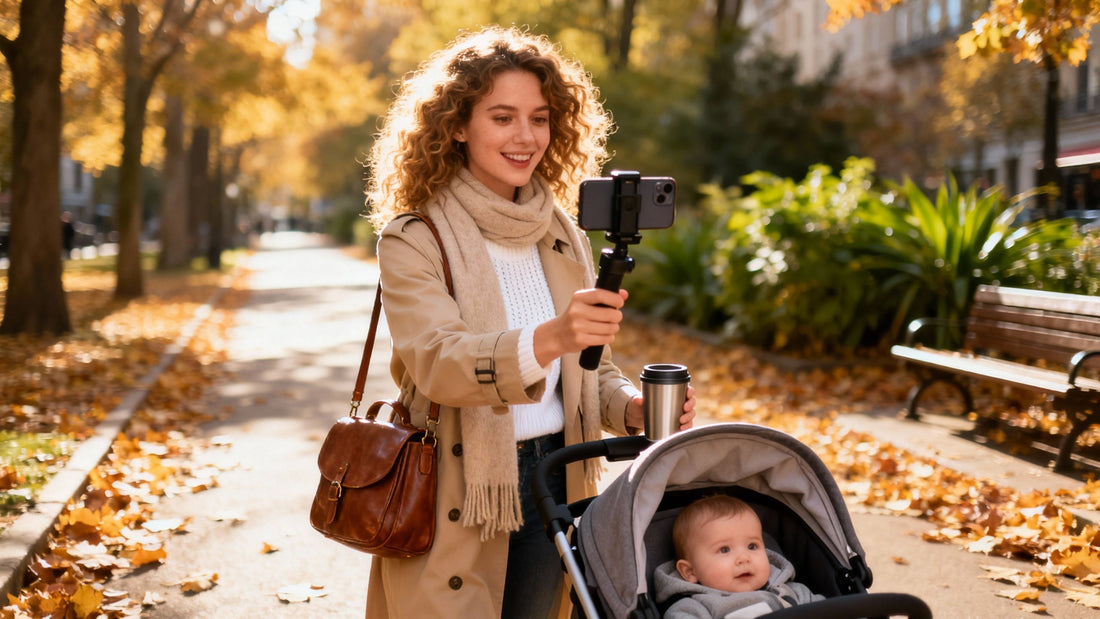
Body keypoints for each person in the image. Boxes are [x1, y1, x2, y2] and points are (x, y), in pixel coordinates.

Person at [363, 25, 696, 619]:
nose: (525, 137)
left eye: (540, 119)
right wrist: (550, 338)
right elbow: (439, 363)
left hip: (557, 479)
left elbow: (591, 368)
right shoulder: (414, 238)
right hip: (455, 487)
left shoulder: (562, 233)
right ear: (457, 125)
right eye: (502, 117)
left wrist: (629, 408)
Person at [654, 495, 823, 618]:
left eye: (752, 546)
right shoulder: (694, 608)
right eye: (724, 550)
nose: (744, 558)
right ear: (690, 572)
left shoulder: (794, 592)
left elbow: (832, 610)